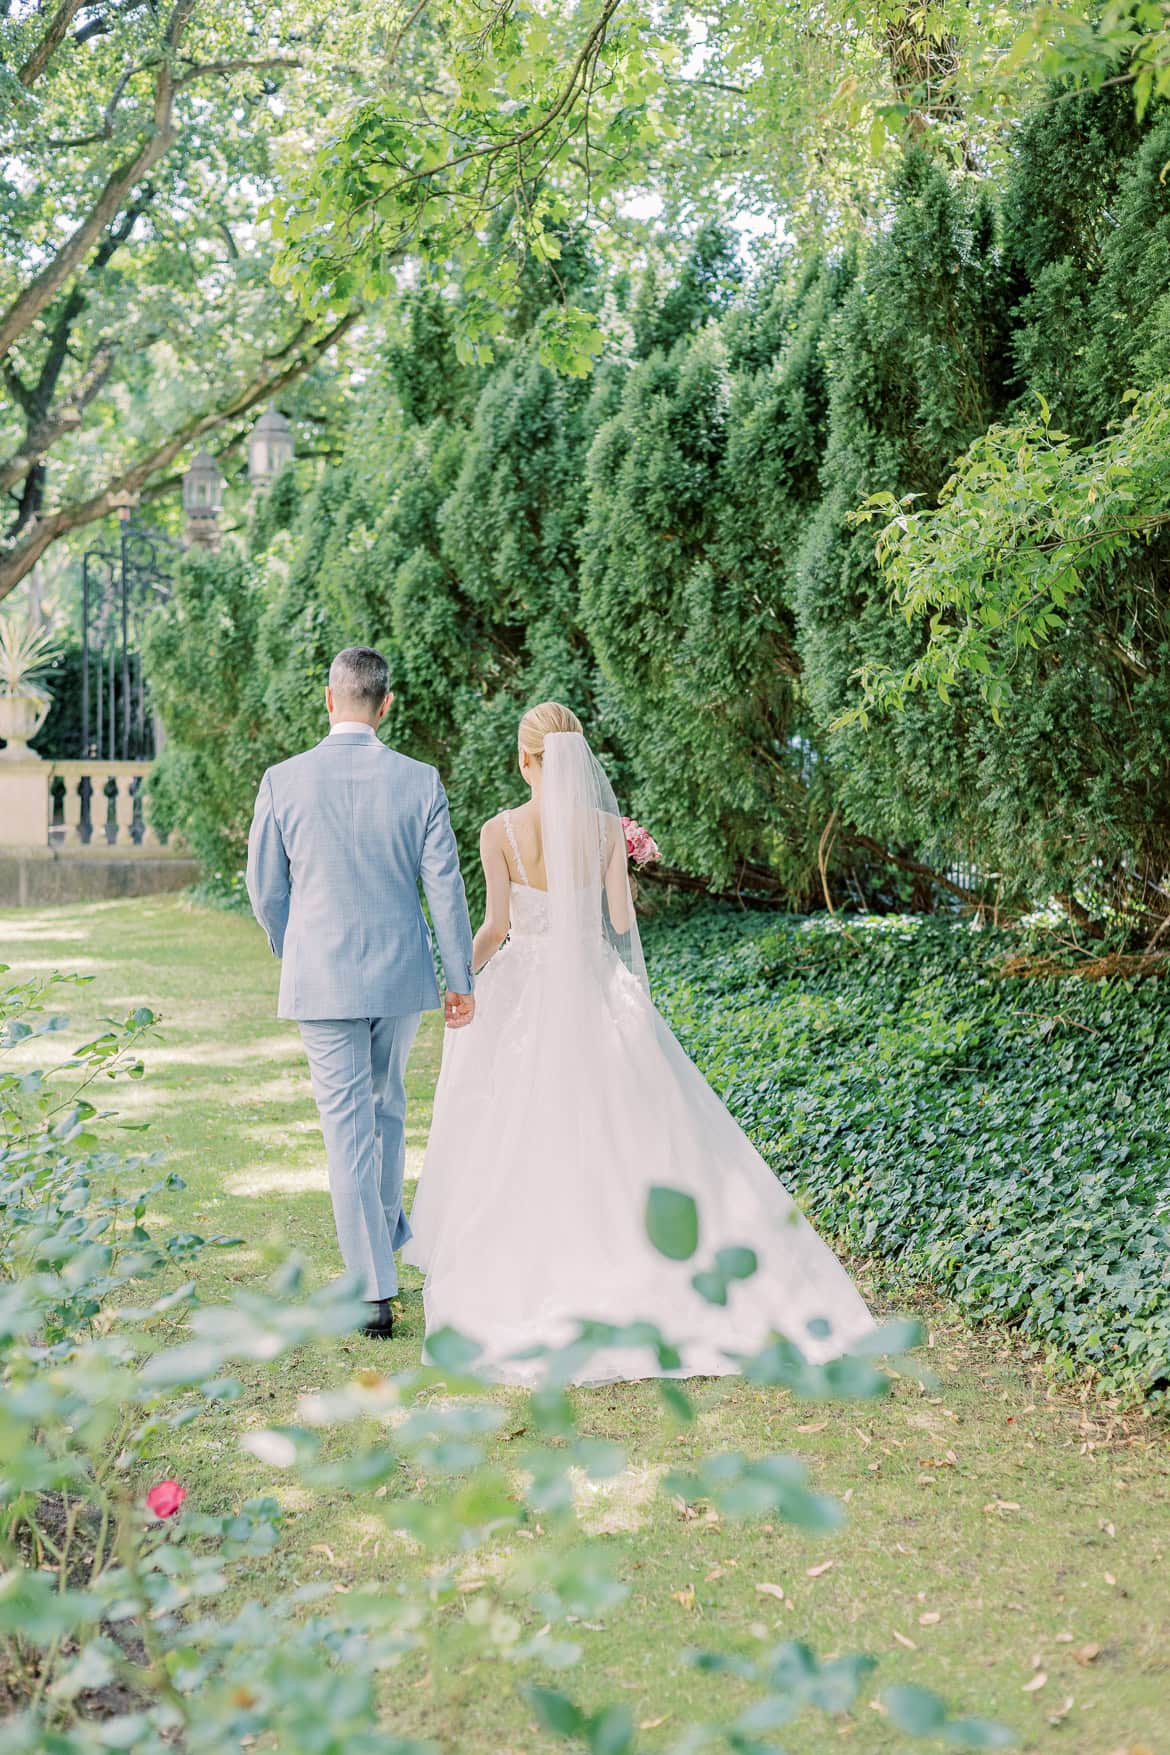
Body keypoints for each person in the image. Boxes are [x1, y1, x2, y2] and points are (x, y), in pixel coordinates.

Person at [404, 702, 875, 1384]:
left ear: (525, 760)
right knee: (624, 1120)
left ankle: (540, 1251)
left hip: (524, 990)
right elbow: (620, 921)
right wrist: (629, 859)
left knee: (520, 1120)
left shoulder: (498, 831)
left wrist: (460, 981)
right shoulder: (604, 833)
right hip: (594, 984)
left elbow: (496, 926)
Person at [246, 646, 474, 1339]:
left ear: (328, 698)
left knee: (350, 1127)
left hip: (323, 978)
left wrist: (297, 945)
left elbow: (265, 888)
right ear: (386, 704)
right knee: (384, 1112)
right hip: (399, 972)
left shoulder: (285, 780)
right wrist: (459, 977)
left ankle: (373, 1289)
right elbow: (446, 887)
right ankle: (381, 1256)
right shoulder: (419, 780)